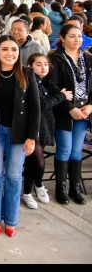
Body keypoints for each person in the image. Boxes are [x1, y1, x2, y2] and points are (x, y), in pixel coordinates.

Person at [0, 35, 39, 237]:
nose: (10, 53)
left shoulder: (27, 73)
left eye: (14, 49)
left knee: (14, 176)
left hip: (20, 132)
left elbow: (35, 107)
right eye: (5, 49)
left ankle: (11, 220)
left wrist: (31, 137)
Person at [48, 23, 91, 205]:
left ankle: (75, 187)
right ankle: (61, 188)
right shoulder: (55, 58)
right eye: (72, 36)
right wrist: (69, 108)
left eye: (79, 36)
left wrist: (90, 106)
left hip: (84, 111)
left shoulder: (88, 58)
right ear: (62, 38)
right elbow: (52, 86)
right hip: (64, 111)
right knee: (65, 148)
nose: (77, 40)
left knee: (76, 150)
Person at [22, 54, 70, 210]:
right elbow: (42, 103)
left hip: (46, 126)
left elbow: (64, 96)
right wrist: (61, 96)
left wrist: (62, 96)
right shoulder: (30, 82)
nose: (43, 67)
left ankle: (28, 190)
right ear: (30, 66)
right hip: (33, 127)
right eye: (38, 64)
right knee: (39, 162)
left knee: (32, 162)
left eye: (45, 64)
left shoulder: (47, 83)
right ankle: (37, 184)